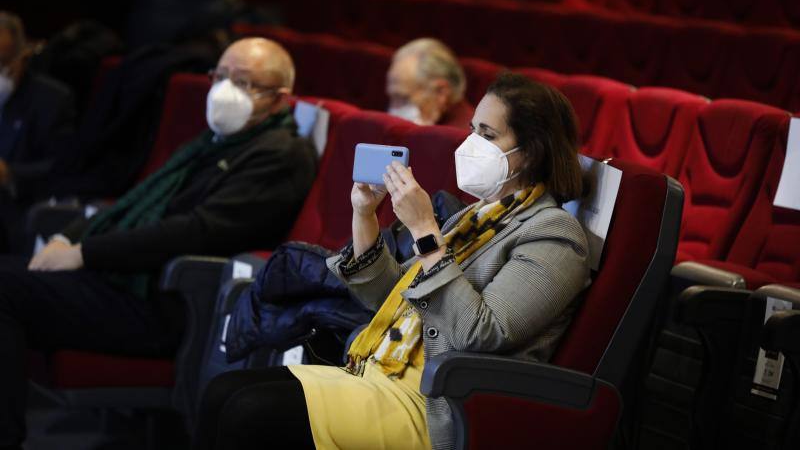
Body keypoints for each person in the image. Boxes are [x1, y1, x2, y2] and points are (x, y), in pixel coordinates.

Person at [195, 72, 591, 450]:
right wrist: (365, 217)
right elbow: (391, 298)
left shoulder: (553, 235)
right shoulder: (475, 217)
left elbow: (480, 334)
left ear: (531, 152)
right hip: (382, 371)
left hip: (435, 402)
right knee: (223, 393)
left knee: (249, 413)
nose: (471, 143)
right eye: (472, 129)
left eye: (487, 135)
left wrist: (425, 233)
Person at [0, 38, 317, 449]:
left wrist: (83, 253)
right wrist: (67, 236)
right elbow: (137, 199)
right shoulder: (213, 142)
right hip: (128, 281)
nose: (225, 90)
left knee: (5, 289)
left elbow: (198, 231)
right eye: (220, 76)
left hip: (170, 303)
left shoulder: (280, 156)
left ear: (279, 99)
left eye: (243, 82)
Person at [0, 11, 76, 252]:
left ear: (22, 57)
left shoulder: (51, 100)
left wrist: (10, 174)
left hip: (14, 211)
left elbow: (63, 166)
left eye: (2, 62)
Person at [386, 38, 473, 127]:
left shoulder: (461, 136)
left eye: (404, 99)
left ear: (441, 93)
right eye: (393, 98)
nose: (393, 110)